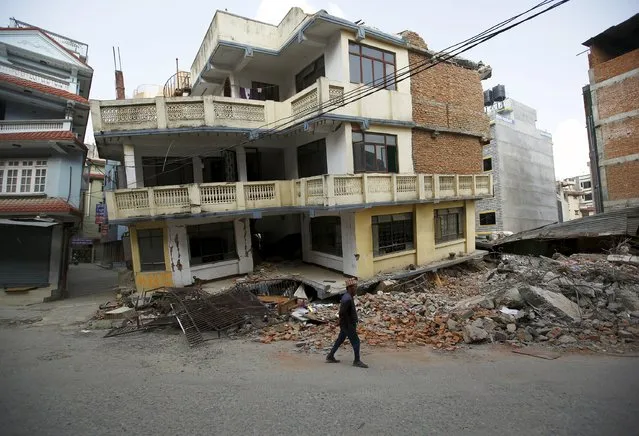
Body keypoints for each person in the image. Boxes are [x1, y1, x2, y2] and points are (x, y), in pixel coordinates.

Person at [326, 280, 368, 368]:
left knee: (340, 339)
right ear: (349, 288)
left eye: (356, 287)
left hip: (346, 324)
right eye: (354, 287)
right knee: (356, 342)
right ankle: (357, 361)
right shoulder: (347, 299)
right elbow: (341, 313)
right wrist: (345, 323)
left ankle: (330, 356)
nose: (356, 289)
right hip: (348, 324)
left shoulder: (348, 296)